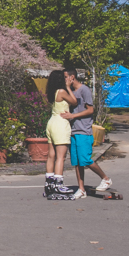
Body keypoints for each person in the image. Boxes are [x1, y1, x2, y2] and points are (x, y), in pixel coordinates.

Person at [61, 69, 112, 198]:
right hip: (74, 130)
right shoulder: (70, 92)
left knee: (85, 159)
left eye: (66, 77)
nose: (64, 80)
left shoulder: (84, 90)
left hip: (84, 130)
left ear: (72, 77)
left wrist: (73, 115)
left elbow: (90, 110)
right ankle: (81, 188)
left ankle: (105, 178)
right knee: (77, 162)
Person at [44, 69, 78, 199]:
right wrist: (69, 87)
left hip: (52, 122)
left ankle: (49, 183)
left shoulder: (52, 92)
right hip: (60, 123)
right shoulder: (62, 91)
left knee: (51, 155)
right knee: (61, 157)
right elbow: (74, 102)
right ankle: (58, 184)